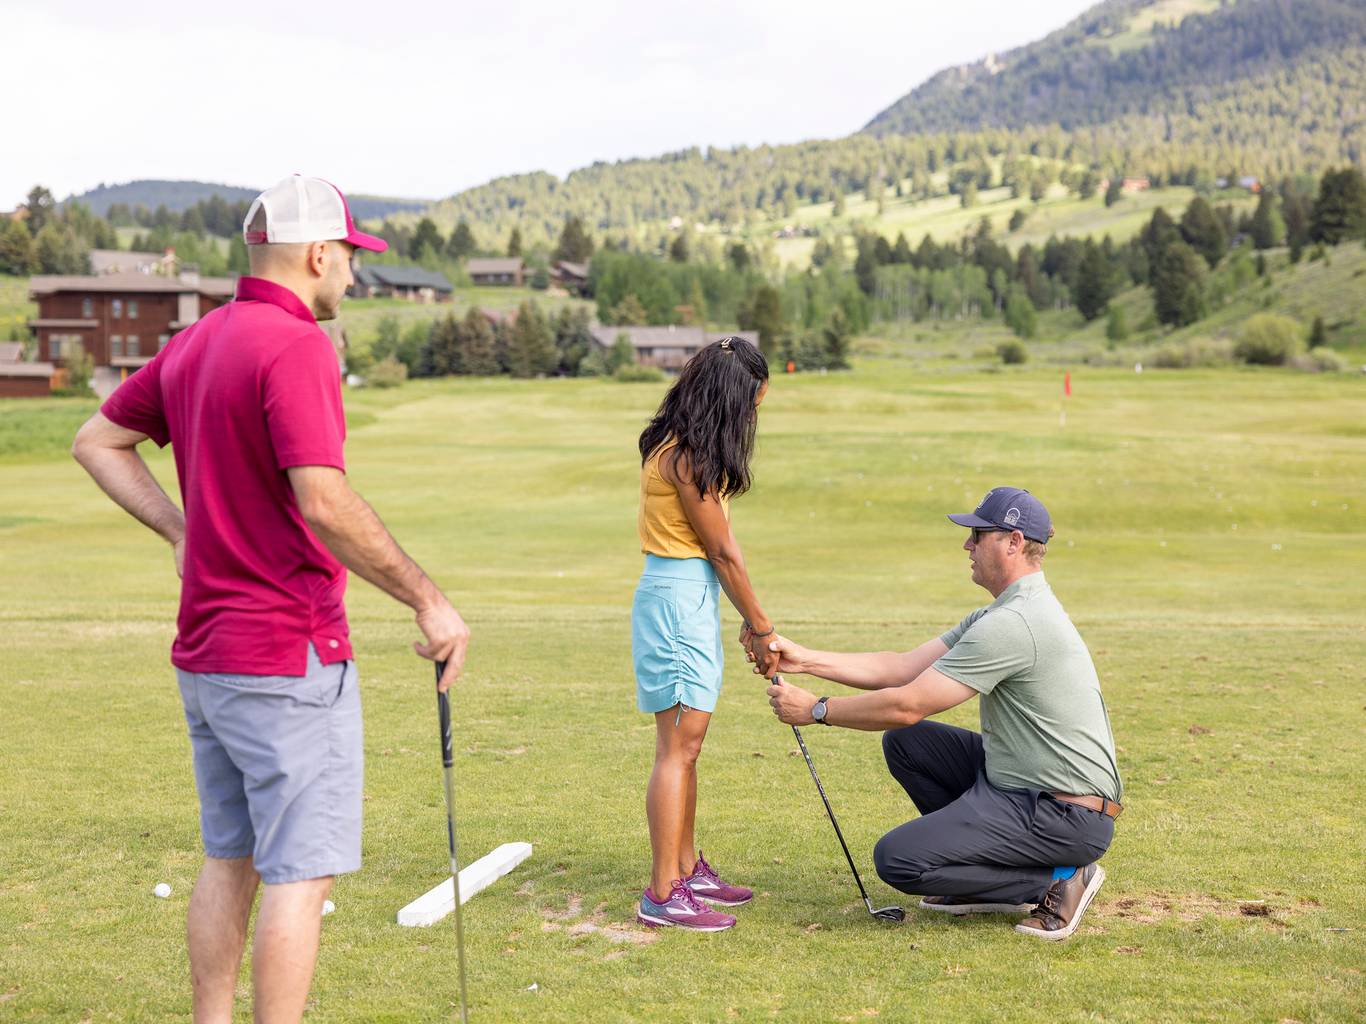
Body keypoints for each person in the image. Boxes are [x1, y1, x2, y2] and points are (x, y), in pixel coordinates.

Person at [71, 176, 470, 1022]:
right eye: (352, 259)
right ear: (318, 254)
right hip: (289, 655)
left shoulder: (202, 337)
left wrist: (182, 531)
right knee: (299, 871)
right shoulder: (295, 346)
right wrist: (428, 601)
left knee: (233, 858)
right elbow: (323, 500)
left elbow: (97, 440)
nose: (356, 278)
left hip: (209, 657)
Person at [761, 487, 1122, 941]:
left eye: (977, 535)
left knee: (898, 860)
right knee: (909, 745)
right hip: (1024, 787)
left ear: (1012, 541)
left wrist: (817, 710)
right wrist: (805, 659)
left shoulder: (1015, 624)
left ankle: (1058, 881)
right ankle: (987, 878)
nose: (967, 546)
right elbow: (900, 668)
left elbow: (907, 704)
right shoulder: (1001, 613)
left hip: (1063, 814)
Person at [633, 337, 780, 932]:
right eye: (752, 406)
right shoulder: (688, 457)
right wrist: (762, 626)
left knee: (687, 747)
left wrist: (744, 616)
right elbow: (721, 551)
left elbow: (718, 555)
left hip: (687, 599)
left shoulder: (682, 447)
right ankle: (663, 893)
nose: (753, 419)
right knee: (678, 747)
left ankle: (686, 870)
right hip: (676, 605)